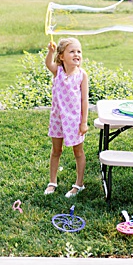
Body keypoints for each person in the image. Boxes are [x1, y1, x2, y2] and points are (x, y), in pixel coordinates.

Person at [44, 37, 89, 198]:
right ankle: (52, 182)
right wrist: (50, 52)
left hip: (74, 121)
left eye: (79, 51)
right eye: (72, 51)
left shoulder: (82, 75)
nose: (76, 54)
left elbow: (85, 100)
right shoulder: (58, 71)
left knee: (78, 152)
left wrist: (83, 122)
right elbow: (48, 64)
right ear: (62, 56)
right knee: (56, 150)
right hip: (57, 118)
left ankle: (79, 184)